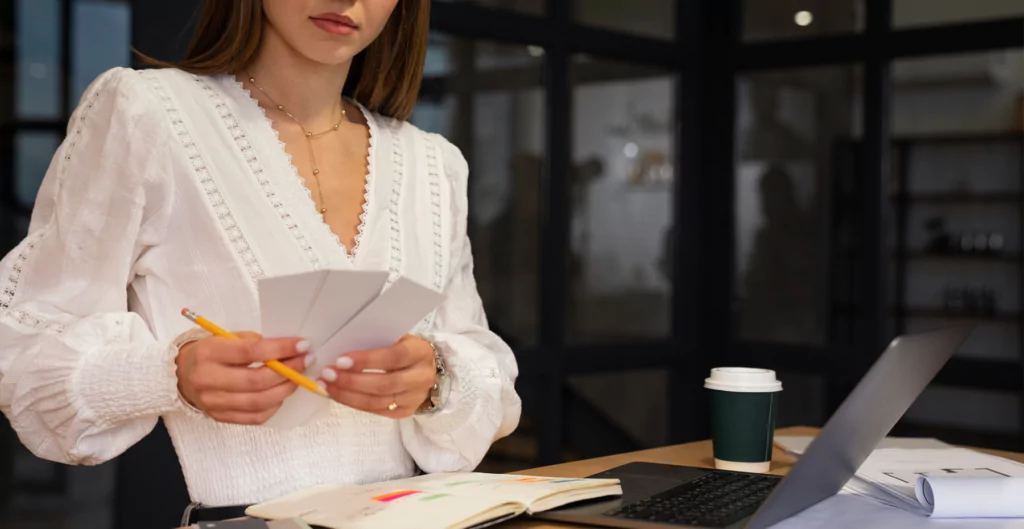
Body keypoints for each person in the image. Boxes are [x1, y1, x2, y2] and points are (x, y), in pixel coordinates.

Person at [0, 0, 521, 523]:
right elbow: (24, 347)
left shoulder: (433, 164)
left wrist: (437, 377)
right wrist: (166, 375)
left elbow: (491, 377)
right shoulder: (148, 113)